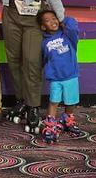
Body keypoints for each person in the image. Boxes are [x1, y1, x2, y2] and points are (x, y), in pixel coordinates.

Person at [0, 0, 65, 133]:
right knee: (14, 61)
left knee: (32, 61)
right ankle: (21, 100)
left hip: (33, 18)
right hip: (11, 17)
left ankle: (33, 106)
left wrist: (61, 19)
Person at [37, 10, 80, 143]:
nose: (53, 21)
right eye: (48, 20)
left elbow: (72, 24)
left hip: (70, 76)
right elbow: (44, 59)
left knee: (70, 101)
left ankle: (67, 119)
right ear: (43, 26)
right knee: (54, 101)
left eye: (54, 18)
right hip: (55, 78)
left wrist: (62, 19)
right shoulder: (44, 42)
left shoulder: (68, 36)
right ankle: (50, 125)